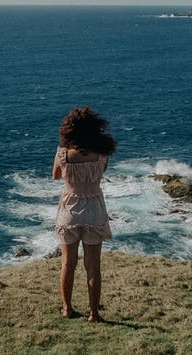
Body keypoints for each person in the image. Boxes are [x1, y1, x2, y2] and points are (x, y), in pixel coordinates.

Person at [52, 106, 116, 322]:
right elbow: (100, 173)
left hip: (70, 210)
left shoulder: (63, 153)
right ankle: (94, 314)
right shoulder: (102, 154)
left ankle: (67, 308)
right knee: (93, 267)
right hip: (94, 210)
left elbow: (55, 176)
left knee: (68, 264)